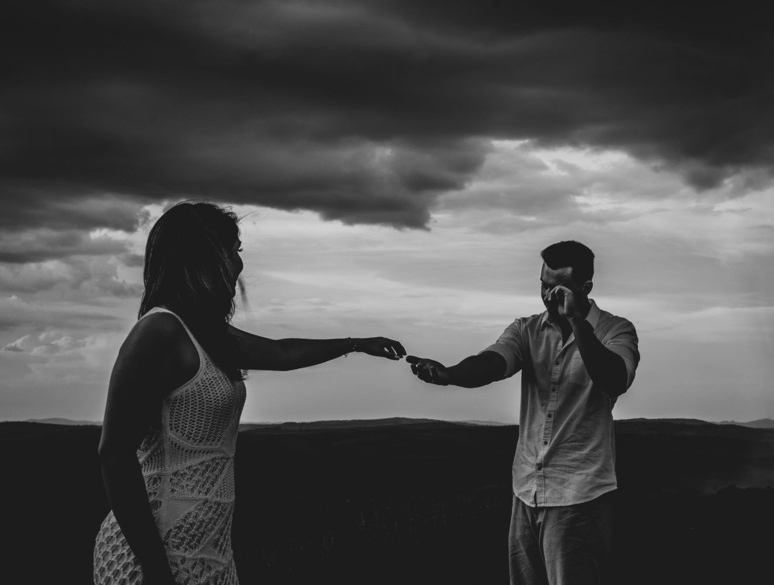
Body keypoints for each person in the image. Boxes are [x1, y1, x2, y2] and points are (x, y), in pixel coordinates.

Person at [94, 201, 406, 585]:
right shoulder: (158, 332)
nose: (238, 264)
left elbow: (282, 352)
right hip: (154, 556)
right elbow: (113, 454)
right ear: (203, 256)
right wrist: (157, 570)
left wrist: (357, 343)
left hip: (207, 553)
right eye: (232, 251)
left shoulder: (205, 334)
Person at [406, 240, 639, 585]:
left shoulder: (616, 330)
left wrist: (576, 321)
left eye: (557, 288)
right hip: (526, 491)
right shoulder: (526, 329)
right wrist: (450, 374)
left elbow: (615, 379)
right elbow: (493, 362)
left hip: (580, 496)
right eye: (543, 285)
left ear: (585, 288)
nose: (547, 296)